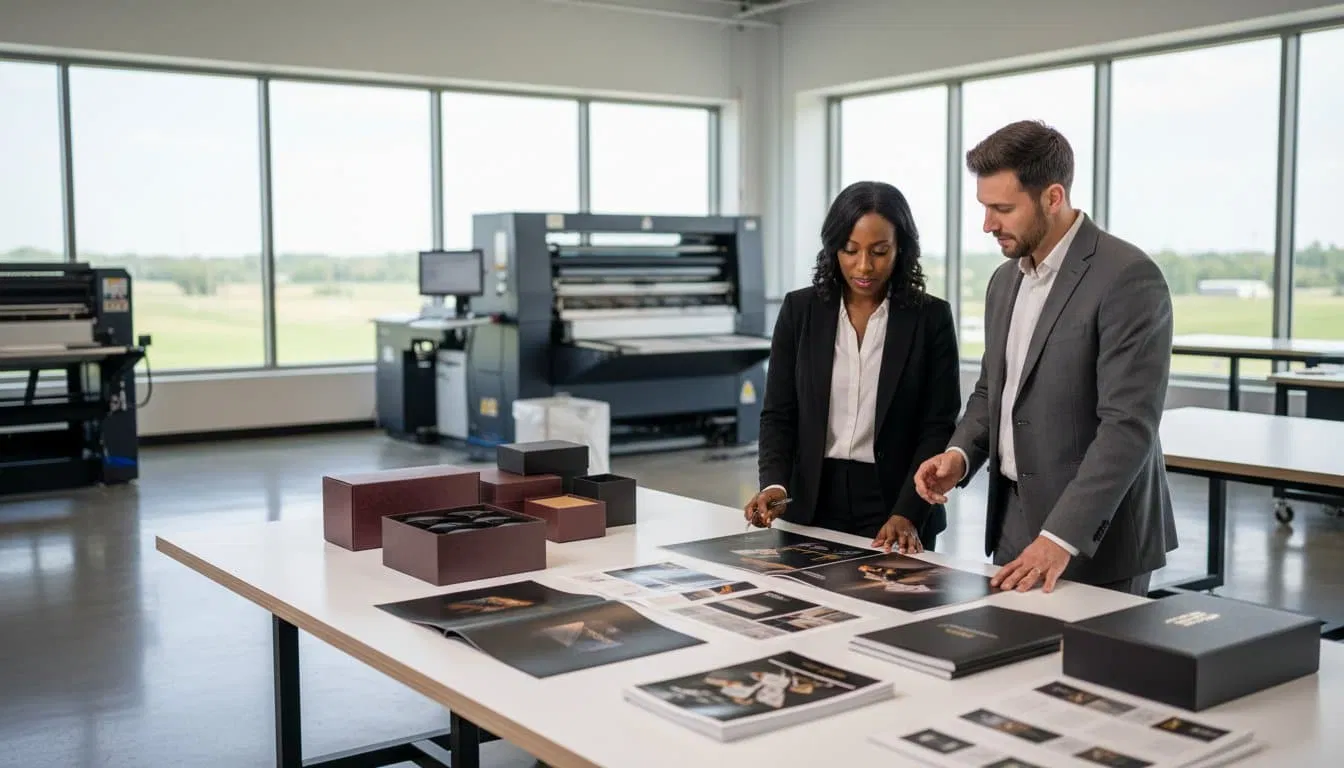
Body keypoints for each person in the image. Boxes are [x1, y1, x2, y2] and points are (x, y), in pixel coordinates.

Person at [914, 120, 1177, 596]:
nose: (988, 224)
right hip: (1011, 524)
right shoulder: (1003, 281)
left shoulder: (1129, 278)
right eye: (984, 208)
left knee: (1092, 671)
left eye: (1002, 209)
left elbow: (1128, 426)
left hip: (1094, 539)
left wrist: (1061, 537)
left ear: (1053, 197)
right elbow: (993, 388)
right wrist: (959, 455)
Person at [744, 180, 961, 554]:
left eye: (879, 251)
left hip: (895, 501)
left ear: (901, 249)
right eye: (850, 250)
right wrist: (775, 486)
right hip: (811, 497)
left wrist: (909, 511)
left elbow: (937, 426)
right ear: (833, 248)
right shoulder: (800, 311)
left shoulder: (930, 318)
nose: (864, 266)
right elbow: (779, 413)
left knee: (894, 608)